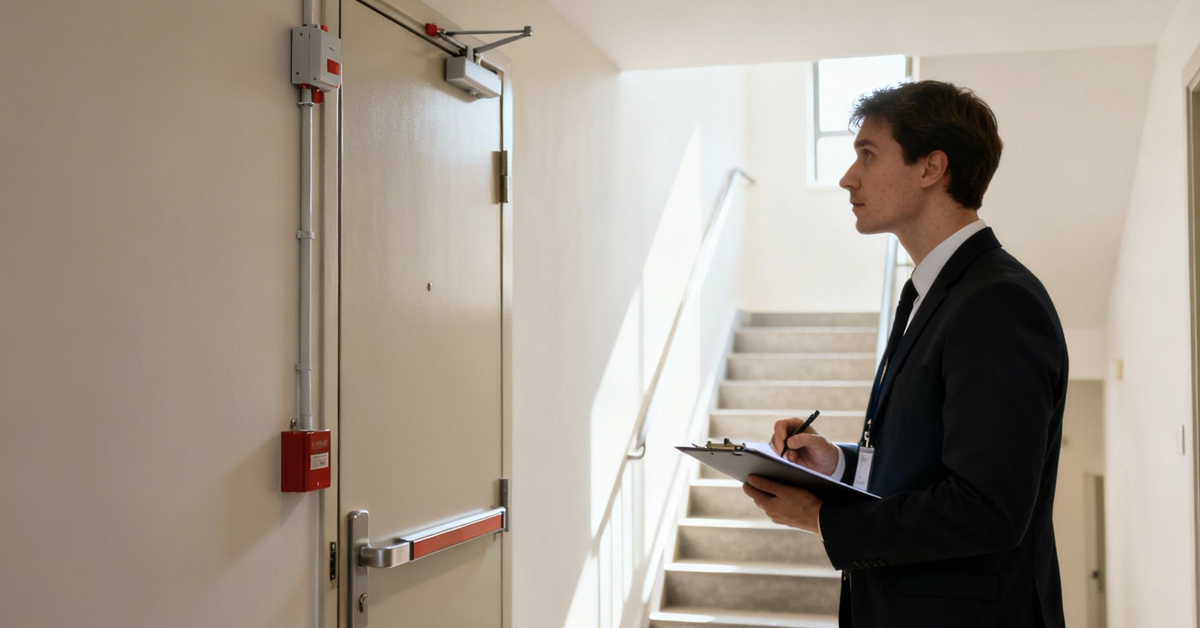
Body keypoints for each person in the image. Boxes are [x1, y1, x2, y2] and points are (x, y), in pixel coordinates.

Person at [741, 80, 1068, 628]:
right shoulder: (928, 292)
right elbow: (929, 463)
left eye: (868, 155)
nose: (848, 178)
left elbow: (987, 509)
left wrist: (823, 519)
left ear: (930, 168)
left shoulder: (998, 301)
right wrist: (839, 462)